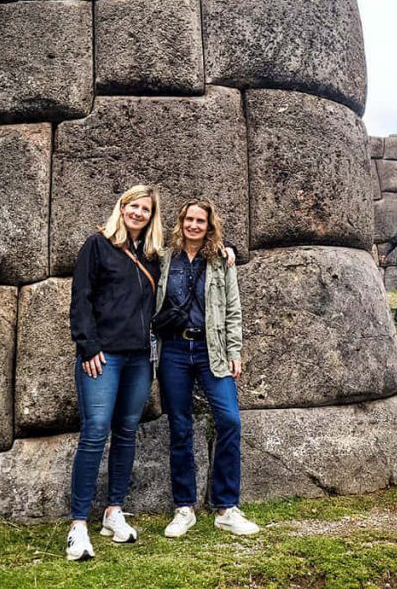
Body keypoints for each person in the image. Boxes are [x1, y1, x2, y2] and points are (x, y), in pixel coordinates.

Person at [66, 185, 164, 561]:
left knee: (126, 432)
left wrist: (230, 248)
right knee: (94, 432)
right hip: (103, 356)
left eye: (146, 209)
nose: (139, 213)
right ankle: (78, 524)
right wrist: (87, 345)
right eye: (134, 206)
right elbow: (81, 298)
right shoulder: (97, 245)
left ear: (151, 215)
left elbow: (197, 239)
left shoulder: (153, 255)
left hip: (140, 358)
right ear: (122, 208)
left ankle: (113, 512)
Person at [154, 199, 259, 539]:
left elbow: (233, 309)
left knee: (229, 419)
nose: (194, 225)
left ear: (210, 225)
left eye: (201, 220)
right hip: (173, 349)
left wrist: (235, 351)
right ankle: (184, 507)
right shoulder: (164, 258)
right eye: (189, 219)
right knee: (180, 426)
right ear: (180, 222)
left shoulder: (220, 260)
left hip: (209, 349)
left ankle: (226, 507)